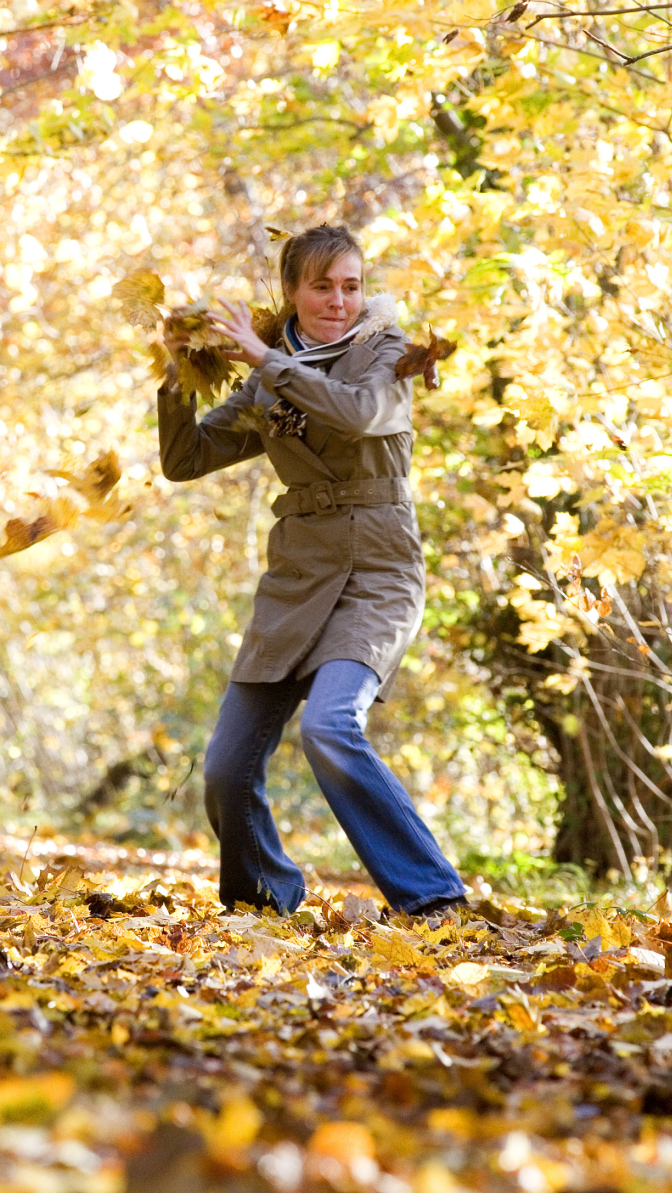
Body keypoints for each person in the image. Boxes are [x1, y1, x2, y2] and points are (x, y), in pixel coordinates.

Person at [157, 224, 467, 917]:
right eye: (322, 286)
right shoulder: (272, 371)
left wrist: (265, 359)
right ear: (292, 291)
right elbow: (187, 459)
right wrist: (176, 375)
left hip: (377, 572)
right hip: (297, 577)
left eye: (350, 285)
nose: (338, 300)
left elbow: (358, 414)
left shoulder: (386, 350)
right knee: (225, 767)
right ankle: (264, 898)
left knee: (330, 725)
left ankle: (433, 896)